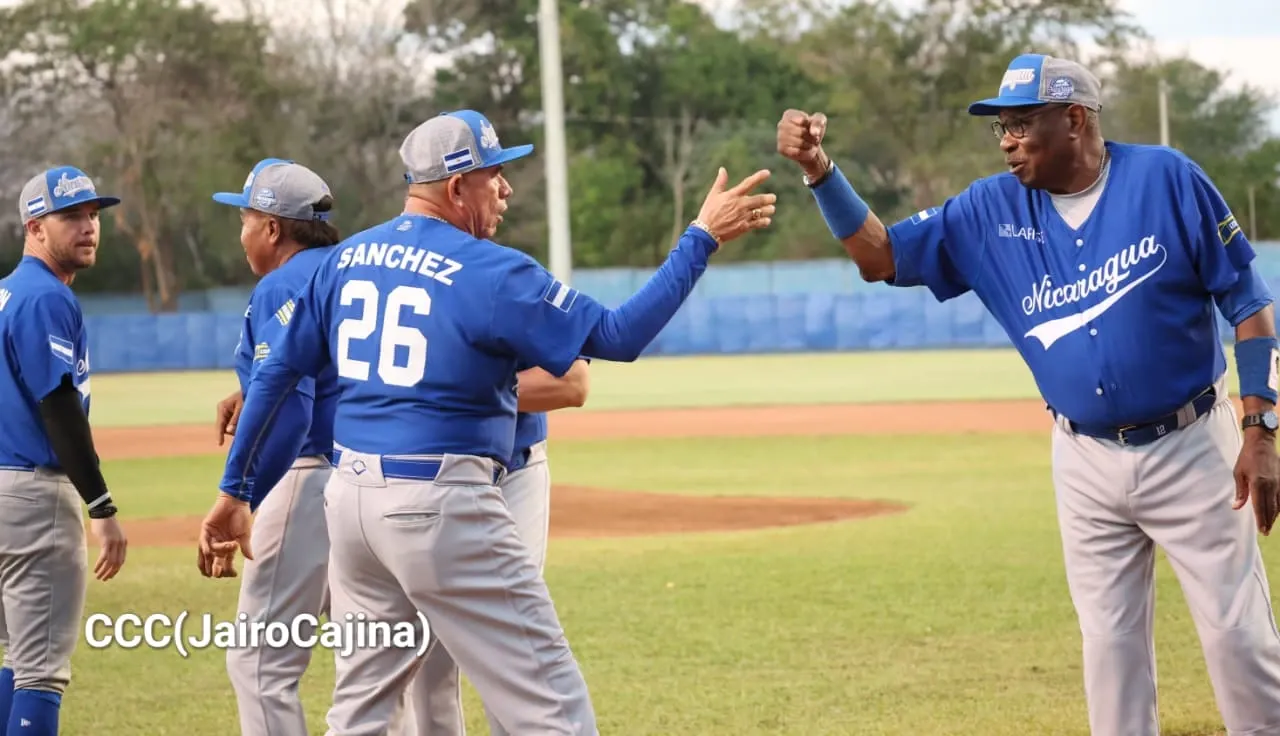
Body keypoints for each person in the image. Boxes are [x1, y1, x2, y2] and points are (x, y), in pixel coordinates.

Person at [197, 108, 775, 735]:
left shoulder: (347, 258)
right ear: (455, 187)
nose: (505, 188)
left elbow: (276, 375)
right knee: (554, 706)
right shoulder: (492, 270)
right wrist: (699, 239)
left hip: (351, 506)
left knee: (361, 710)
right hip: (441, 502)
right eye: (493, 174)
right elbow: (618, 335)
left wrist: (235, 492)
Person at [777, 52, 1280, 735]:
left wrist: (1261, 429)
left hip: (1192, 446)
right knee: (1110, 653)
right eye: (1001, 128)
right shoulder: (987, 210)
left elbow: (1248, 303)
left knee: (1238, 640)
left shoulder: (1167, 179)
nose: (1007, 141)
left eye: (1021, 124)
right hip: (1083, 458)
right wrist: (819, 171)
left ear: (1073, 119)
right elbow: (880, 256)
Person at [200, 158, 344, 736]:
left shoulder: (280, 284)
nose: (242, 233)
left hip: (308, 479)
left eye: (245, 219)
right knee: (376, 659)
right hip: (375, 480)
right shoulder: (350, 270)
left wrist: (241, 493)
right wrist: (250, 388)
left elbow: (292, 406)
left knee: (260, 663)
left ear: (273, 227)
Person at [0, 165, 129, 735]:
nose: (88, 227)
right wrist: (101, 506)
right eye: (71, 216)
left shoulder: (7, 293)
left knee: (16, 655)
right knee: (41, 672)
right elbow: (58, 408)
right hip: (32, 497)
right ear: (34, 228)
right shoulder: (46, 297)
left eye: (93, 215)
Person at [399, 357, 592, 734]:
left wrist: (442, 392)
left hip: (514, 468)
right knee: (422, 651)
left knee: (513, 640)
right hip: (416, 472)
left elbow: (571, 384)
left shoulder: (530, 308)